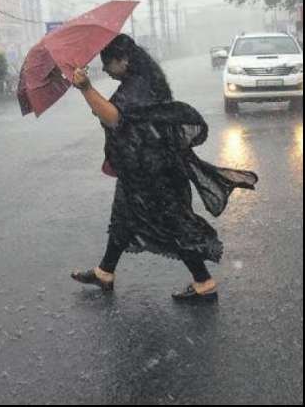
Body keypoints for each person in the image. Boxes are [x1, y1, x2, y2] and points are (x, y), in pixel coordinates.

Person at [68, 34, 258, 303]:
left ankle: (204, 283)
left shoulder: (139, 85)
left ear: (123, 60)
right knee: (123, 217)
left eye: (108, 64)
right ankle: (105, 272)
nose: (107, 72)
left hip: (154, 171)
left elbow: (116, 119)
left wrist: (87, 88)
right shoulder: (142, 78)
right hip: (142, 167)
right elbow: (126, 117)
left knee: (173, 223)